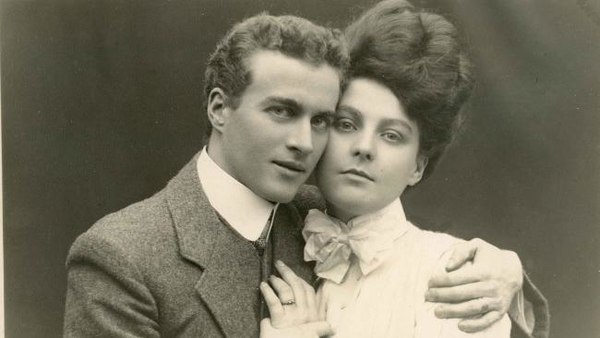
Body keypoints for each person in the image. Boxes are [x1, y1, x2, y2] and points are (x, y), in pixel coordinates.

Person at [63, 9, 546, 338]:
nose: (303, 142)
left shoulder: (321, 220)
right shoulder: (122, 256)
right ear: (219, 108)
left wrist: (510, 273)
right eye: (281, 111)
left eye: (321, 120)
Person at [259, 1, 548, 337]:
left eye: (392, 135)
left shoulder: (452, 274)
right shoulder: (272, 228)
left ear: (418, 166)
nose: (364, 147)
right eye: (347, 123)